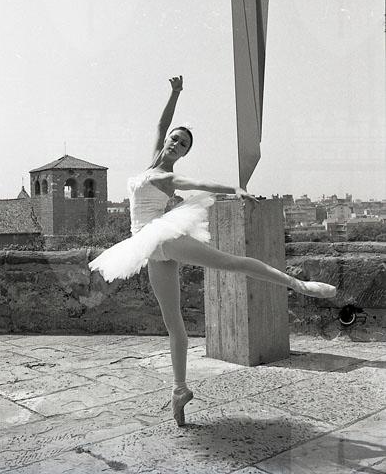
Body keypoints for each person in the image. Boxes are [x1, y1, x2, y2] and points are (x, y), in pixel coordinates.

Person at [88, 76, 336, 426]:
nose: (176, 143)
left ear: (184, 154)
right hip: (148, 247)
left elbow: (200, 183)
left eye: (183, 144)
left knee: (231, 263)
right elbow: (161, 124)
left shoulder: (167, 177)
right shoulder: (152, 163)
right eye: (175, 139)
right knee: (173, 323)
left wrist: (235, 189)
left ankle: (300, 285)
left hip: (160, 237)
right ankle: (179, 390)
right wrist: (174, 93)